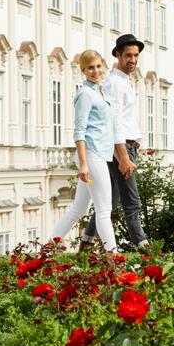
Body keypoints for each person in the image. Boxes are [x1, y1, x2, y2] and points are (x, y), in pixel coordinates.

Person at [80, 34, 149, 251]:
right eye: (128, 55)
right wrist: (124, 157)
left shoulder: (122, 81)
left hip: (125, 147)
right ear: (118, 55)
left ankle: (86, 242)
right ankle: (143, 245)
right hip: (121, 148)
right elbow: (113, 123)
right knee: (132, 201)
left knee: (110, 201)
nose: (133, 60)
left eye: (136, 55)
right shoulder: (114, 84)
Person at [50, 50, 118, 251]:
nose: (95, 71)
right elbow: (79, 132)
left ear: (103, 66)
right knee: (104, 209)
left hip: (97, 156)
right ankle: (114, 258)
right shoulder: (85, 94)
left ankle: (46, 252)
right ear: (83, 71)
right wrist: (84, 164)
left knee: (78, 210)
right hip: (91, 157)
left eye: (98, 66)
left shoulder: (100, 91)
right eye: (90, 68)